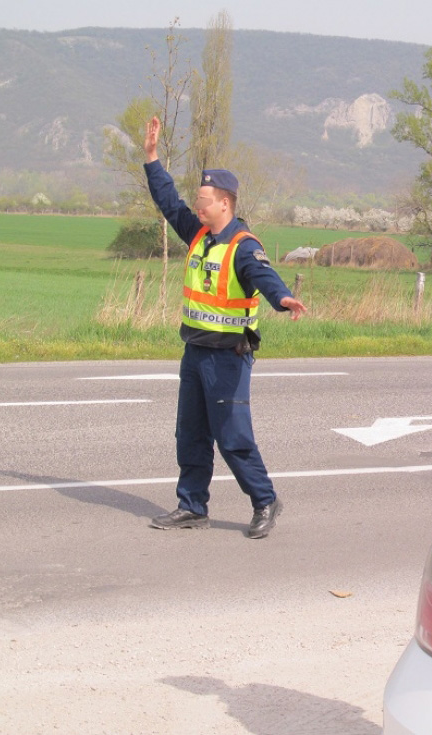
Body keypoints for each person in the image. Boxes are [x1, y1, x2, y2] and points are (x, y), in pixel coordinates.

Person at [142, 116, 306, 538]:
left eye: (204, 199)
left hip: (228, 358)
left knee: (232, 437)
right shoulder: (199, 235)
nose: (197, 205)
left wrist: (283, 298)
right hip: (195, 352)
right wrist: (152, 159)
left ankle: (266, 500)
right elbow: (167, 202)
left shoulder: (243, 245)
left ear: (225, 204)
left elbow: (264, 277)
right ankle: (192, 506)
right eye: (197, 199)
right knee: (190, 434)